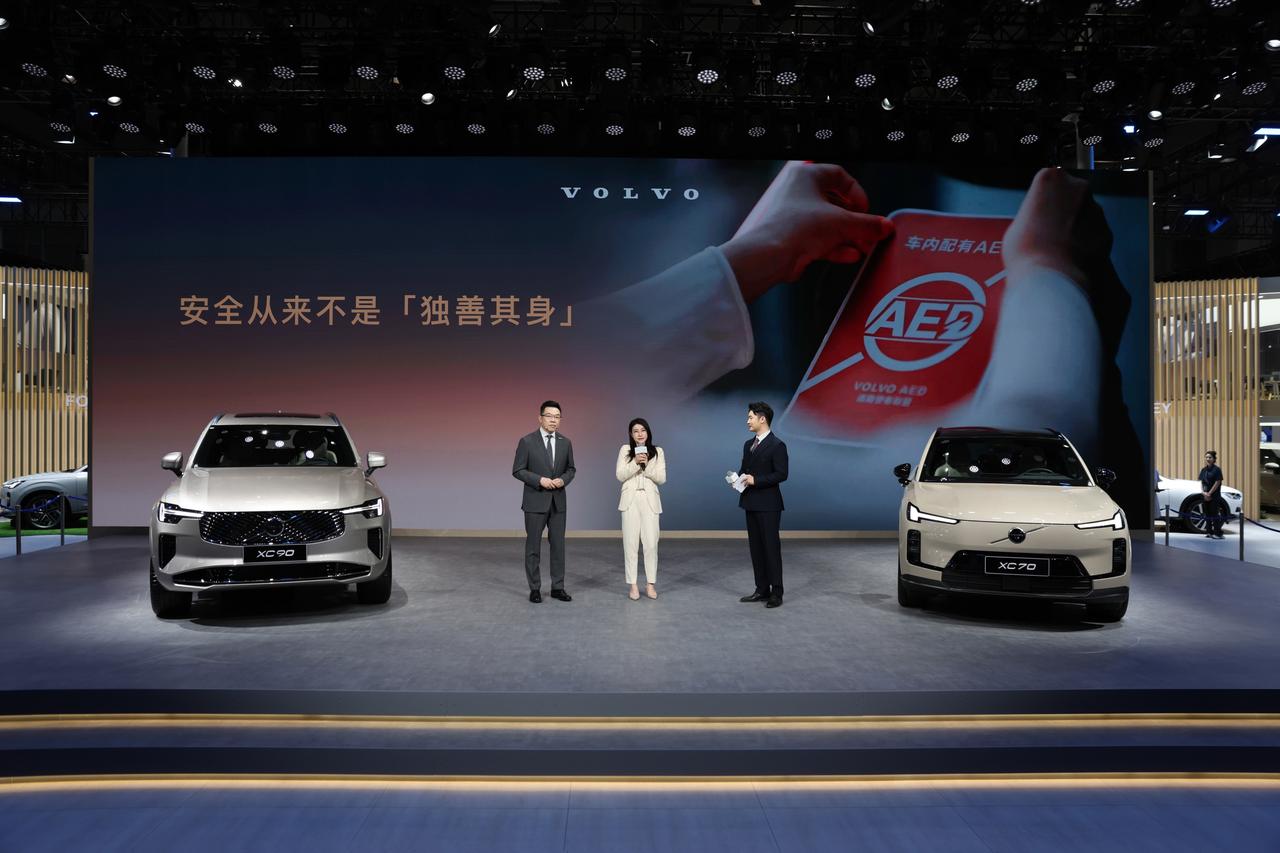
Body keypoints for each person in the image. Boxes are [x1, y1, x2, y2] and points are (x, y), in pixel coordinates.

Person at [512, 401, 576, 602]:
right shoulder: (527, 441)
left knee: (558, 547)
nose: (553, 420)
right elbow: (518, 470)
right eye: (549, 416)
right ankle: (535, 589)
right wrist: (539, 480)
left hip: (558, 503)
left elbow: (571, 469)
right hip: (535, 501)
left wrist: (563, 480)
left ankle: (558, 587)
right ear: (540, 418)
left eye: (557, 417)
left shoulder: (566, 442)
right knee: (533, 547)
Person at [737, 401, 789, 608]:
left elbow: (782, 474)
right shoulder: (748, 444)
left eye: (750, 417)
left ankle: (777, 592)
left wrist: (755, 480)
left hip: (769, 504)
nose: (747, 421)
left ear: (762, 419)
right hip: (750, 502)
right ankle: (761, 589)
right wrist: (737, 479)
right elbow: (744, 469)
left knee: (771, 548)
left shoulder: (777, 445)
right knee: (756, 549)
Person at [616, 418, 666, 601]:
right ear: (631, 434)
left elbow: (661, 478)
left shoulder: (658, 451)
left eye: (643, 430)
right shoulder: (625, 450)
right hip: (630, 500)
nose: (639, 434)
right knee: (630, 544)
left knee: (651, 543)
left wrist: (646, 467)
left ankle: (650, 584)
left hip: (650, 500)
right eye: (635, 431)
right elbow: (620, 475)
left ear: (648, 432)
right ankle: (633, 585)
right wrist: (635, 462)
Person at [1198, 450, 1227, 540]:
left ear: (1214, 459)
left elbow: (1217, 482)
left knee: (1214, 514)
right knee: (1207, 514)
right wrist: (1203, 492)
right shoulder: (1204, 469)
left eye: (1210, 457)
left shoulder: (1217, 470)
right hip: (1205, 495)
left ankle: (1218, 533)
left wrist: (1209, 493)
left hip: (1214, 496)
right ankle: (1209, 532)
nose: (1208, 459)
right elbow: (1201, 481)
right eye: (1206, 457)